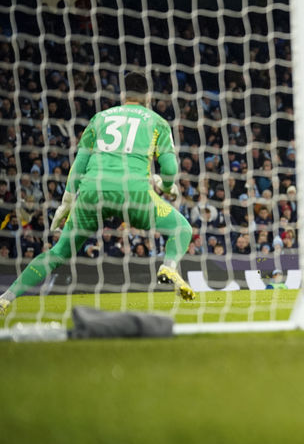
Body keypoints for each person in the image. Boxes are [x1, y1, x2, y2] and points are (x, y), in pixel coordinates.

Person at [0, 72, 196, 315]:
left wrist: (66, 203)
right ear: (148, 97)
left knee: (59, 251)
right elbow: (170, 169)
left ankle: (5, 298)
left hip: (91, 193)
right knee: (181, 228)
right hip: (132, 192)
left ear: (123, 95)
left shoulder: (99, 118)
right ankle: (169, 266)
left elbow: (79, 165)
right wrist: (167, 187)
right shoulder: (157, 122)